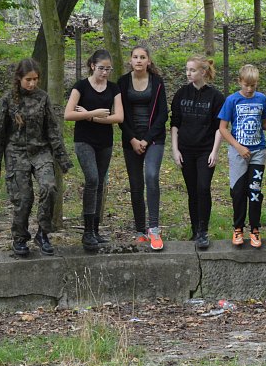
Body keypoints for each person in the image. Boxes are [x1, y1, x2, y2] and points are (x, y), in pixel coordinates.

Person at [0, 58, 73, 257]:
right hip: (16, 153)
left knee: (49, 187)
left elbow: (52, 129)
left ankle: (43, 233)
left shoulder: (43, 98)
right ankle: (19, 237)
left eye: (35, 79)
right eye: (28, 79)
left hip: (40, 151)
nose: (32, 83)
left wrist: (62, 159)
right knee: (24, 197)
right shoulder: (8, 99)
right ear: (19, 79)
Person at [219, 65, 266, 248]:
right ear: (239, 81)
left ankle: (255, 229)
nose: (249, 89)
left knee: (255, 192)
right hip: (238, 153)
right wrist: (239, 147)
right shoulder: (232, 100)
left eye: (253, 85)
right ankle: (238, 228)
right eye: (246, 85)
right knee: (238, 192)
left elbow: (264, 124)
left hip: (258, 152)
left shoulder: (261, 99)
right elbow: (223, 128)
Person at [64, 49, 123, 252]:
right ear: (92, 66)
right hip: (84, 140)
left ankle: (95, 230)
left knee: (99, 184)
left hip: (105, 142)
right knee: (92, 179)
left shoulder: (113, 88)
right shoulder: (81, 86)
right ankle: (87, 231)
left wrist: (90, 116)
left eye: (108, 69)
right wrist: (94, 114)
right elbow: (68, 114)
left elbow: (119, 117)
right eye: (101, 68)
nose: (105, 73)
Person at [170, 55, 225, 250]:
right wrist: (175, 149)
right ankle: (195, 230)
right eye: (187, 69)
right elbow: (175, 123)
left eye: (192, 70)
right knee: (192, 191)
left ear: (203, 71)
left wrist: (215, 151)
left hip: (205, 150)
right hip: (185, 150)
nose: (188, 73)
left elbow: (220, 127)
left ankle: (203, 231)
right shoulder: (181, 94)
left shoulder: (216, 96)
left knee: (203, 187)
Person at [118, 45, 168, 251]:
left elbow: (163, 114)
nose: (138, 60)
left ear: (149, 61)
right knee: (136, 184)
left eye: (142, 57)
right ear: (130, 60)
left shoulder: (157, 82)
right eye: (135, 57)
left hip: (153, 138)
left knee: (151, 176)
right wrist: (132, 139)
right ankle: (140, 231)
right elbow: (119, 115)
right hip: (131, 139)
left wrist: (146, 139)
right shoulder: (122, 82)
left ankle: (154, 229)